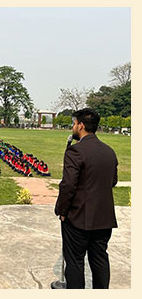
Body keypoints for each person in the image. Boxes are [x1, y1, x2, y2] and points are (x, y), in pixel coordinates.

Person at [55, 108, 118, 289]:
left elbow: (68, 186)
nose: (73, 127)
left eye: (74, 124)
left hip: (78, 218)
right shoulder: (109, 151)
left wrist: (62, 210)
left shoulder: (76, 151)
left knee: (75, 262)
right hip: (104, 218)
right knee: (99, 259)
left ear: (81, 125)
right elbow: (112, 181)